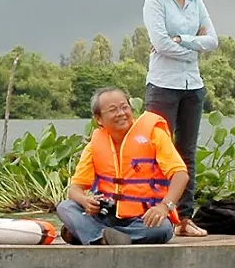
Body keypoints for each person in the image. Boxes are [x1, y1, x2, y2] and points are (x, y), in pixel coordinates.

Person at [142, 0, 218, 237]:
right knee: (158, 152)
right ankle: (154, 214)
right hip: (163, 85)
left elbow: (212, 41)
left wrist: (181, 40)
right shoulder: (154, 0)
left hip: (193, 85)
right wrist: (191, 42)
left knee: (186, 153)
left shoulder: (197, 1)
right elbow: (160, 43)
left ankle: (184, 218)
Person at [58, 88, 187, 246]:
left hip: (144, 217)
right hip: (107, 216)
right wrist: (85, 201)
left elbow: (181, 175)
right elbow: (74, 189)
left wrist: (164, 207)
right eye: (113, 110)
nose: (121, 113)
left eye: (124, 107)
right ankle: (100, 236)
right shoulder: (94, 146)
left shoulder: (154, 134)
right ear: (99, 119)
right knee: (66, 207)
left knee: (162, 229)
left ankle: (91, 234)